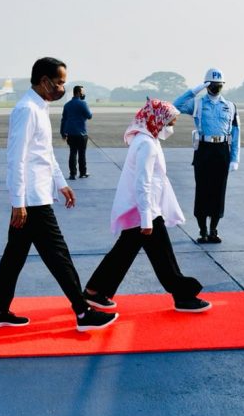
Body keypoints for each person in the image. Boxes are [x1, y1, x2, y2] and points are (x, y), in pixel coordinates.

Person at [0, 58, 117, 332]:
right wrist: (18, 203)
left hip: (36, 195)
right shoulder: (26, 110)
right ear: (44, 81)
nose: (62, 88)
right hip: (31, 201)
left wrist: (60, 183)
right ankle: (83, 312)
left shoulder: (39, 107)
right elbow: (16, 159)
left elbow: (44, 154)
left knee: (14, 257)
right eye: (59, 82)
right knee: (59, 255)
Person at [84, 98, 211, 313]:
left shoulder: (147, 140)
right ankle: (182, 296)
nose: (171, 127)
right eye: (170, 123)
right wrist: (146, 218)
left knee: (125, 252)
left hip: (145, 209)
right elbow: (142, 182)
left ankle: (95, 291)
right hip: (145, 210)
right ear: (159, 120)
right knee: (162, 256)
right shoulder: (146, 144)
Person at [174, 68, 240, 244]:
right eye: (212, 85)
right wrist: (194, 90)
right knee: (203, 190)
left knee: (219, 191)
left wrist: (235, 158)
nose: (215, 88)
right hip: (204, 149)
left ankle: (213, 230)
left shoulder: (230, 106)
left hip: (222, 150)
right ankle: (202, 230)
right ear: (206, 85)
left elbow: (236, 133)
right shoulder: (197, 103)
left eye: (219, 85)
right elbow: (175, 106)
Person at [60, 85, 93, 179]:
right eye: (82, 92)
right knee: (82, 154)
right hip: (82, 134)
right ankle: (83, 173)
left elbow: (63, 120)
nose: (83, 94)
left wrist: (62, 133)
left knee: (72, 153)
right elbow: (89, 116)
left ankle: (72, 174)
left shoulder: (67, 105)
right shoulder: (83, 103)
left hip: (70, 134)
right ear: (78, 93)